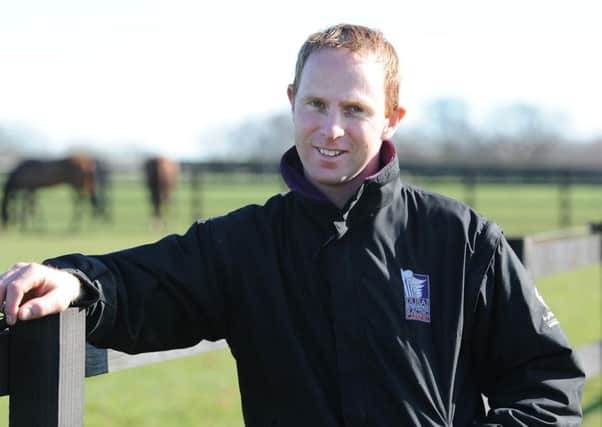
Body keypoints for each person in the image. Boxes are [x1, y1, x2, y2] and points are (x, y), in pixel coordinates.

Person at [0, 23, 585, 426]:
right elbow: (145, 283)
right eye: (316, 104)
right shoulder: (243, 244)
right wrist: (75, 281)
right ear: (291, 101)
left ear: (391, 118)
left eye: (354, 109)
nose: (330, 129)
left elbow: (547, 381)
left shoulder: (459, 240)